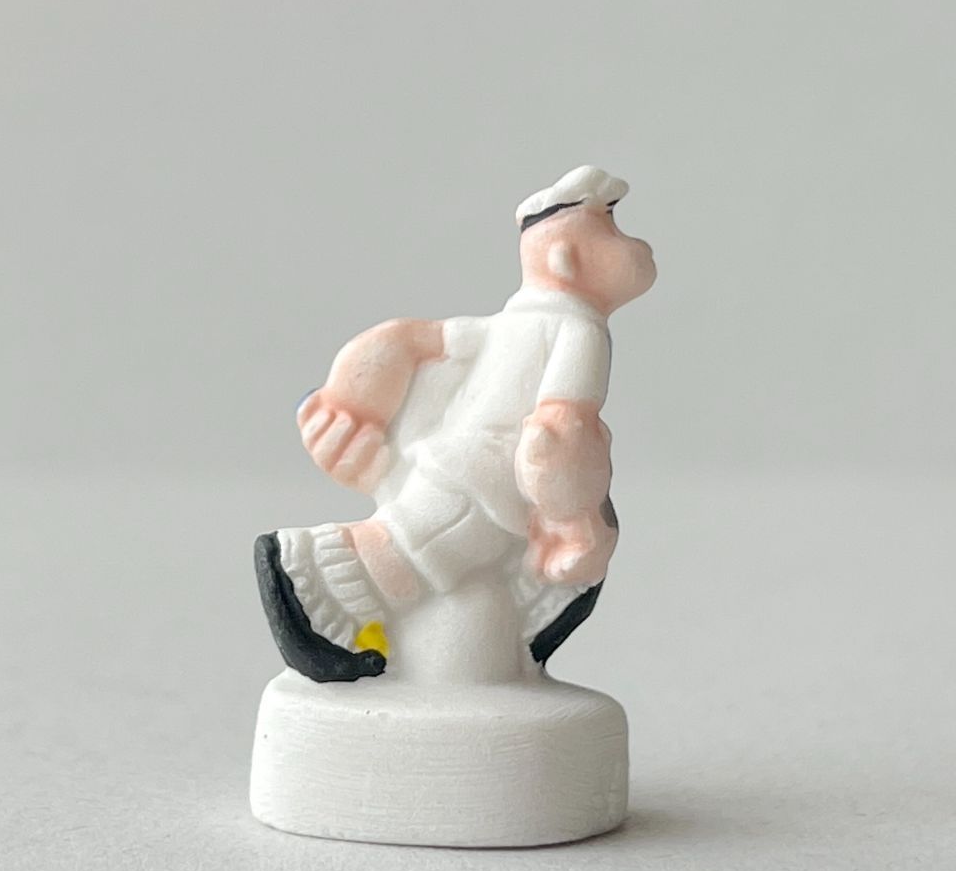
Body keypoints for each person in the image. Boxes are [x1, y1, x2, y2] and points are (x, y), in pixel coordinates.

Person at [255, 165, 656, 682]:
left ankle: (342, 605)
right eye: (613, 229)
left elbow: (416, 340)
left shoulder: (505, 326)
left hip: (447, 465)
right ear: (566, 259)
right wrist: (573, 524)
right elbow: (561, 425)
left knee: (427, 565)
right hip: (495, 487)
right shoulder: (578, 331)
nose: (636, 245)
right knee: (404, 560)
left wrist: (355, 387)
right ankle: (314, 589)